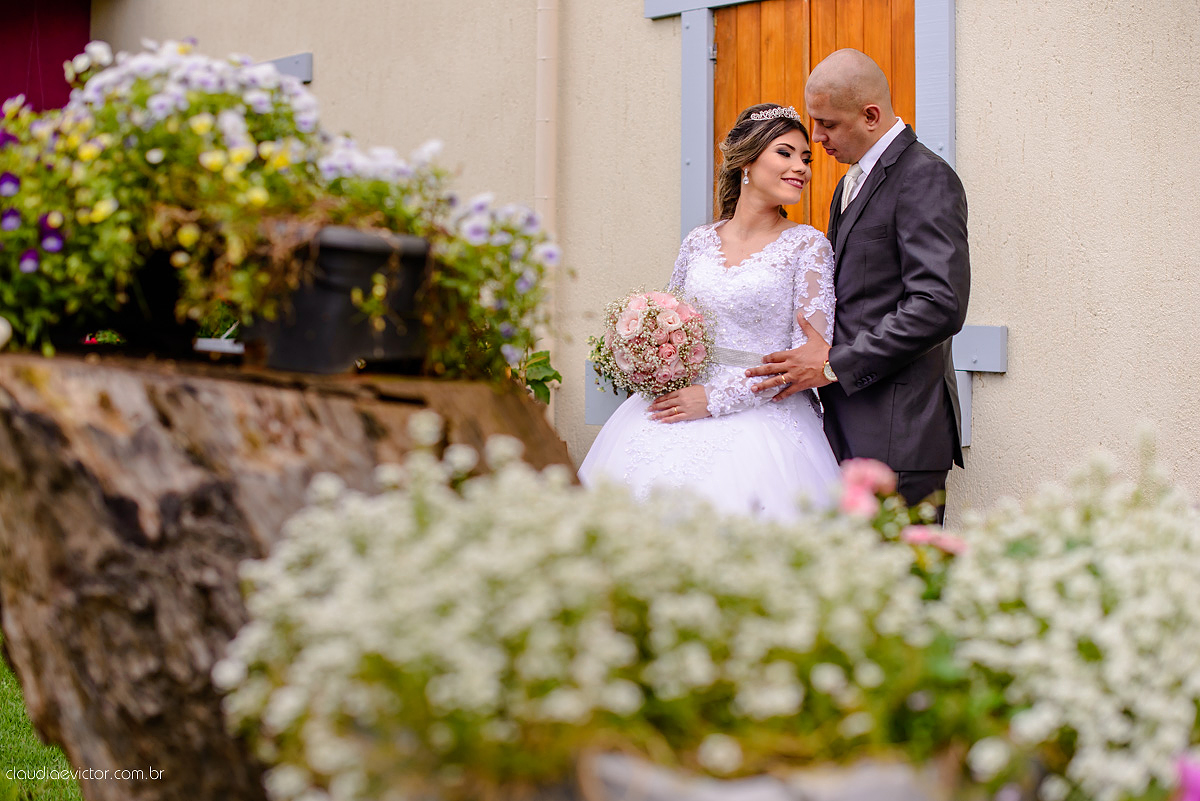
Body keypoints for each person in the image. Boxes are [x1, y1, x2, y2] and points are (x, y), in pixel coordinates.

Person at [578, 104, 841, 521]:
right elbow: (672, 323)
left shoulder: (808, 247)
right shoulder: (698, 242)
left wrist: (715, 399)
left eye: (806, 158)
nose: (802, 168)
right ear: (747, 163)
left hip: (762, 420)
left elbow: (807, 358)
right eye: (786, 153)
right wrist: (647, 355)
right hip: (674, 405)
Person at [745, 49, 970, 521]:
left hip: (897, 434)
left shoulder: (924, 177)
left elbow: (938, 304)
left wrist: (832, 364)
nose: (818, 137)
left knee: (901, 587)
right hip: (846, 424)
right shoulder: (849, 183)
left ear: (870, 115)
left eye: (827, 124)